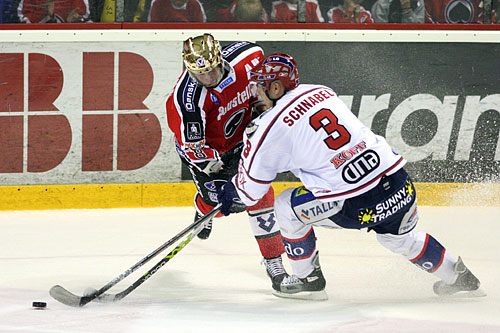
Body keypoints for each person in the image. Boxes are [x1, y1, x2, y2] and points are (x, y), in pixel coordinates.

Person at [217, 53, 483, 300]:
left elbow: (250, 191)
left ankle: (308, 281)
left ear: (276, 88)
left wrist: (232, 193)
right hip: (400, 186)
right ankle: (460, 277)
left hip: (357, 205)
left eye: (260, 86)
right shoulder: (321, 91)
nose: (255, 94)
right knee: (401, 239)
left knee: (286, 206)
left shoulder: (266, 128)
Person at [165, 34, 288, 290]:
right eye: (200, 74)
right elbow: (194, 148)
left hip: (243, 140)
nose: (207, 79)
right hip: (209, 154)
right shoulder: (186, 102)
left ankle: (274, 261)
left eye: (210, 71)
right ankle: (203, 209)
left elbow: (263, 83)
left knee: (260, 196)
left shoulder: (250, 57)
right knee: (220, 204)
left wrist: (261, 111)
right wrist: (222, 170)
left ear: (219, 59)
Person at [18, 0, 89, 23]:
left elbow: (88, 20)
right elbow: (21, 22)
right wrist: (43, 15)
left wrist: (73, 23)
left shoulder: (79, 2)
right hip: (38, 40)